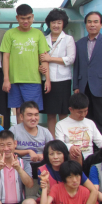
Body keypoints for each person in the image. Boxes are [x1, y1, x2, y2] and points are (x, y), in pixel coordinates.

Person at [0, 4, 50, 124]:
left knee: (32, 111)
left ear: (32, 16)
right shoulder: (10, 34)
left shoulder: (38, 34)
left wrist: (47, 79)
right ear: (17, 18)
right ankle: (20, 134)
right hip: (15, 79)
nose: (26, 21)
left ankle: (31, 134)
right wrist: (6, 79)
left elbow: (43, 57)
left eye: (28, 18)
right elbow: (5, 57)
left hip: (33, 79)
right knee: (19, 111)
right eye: (22, 18)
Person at [73, 11, 102, 139]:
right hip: (83, 86)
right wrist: (76, 86)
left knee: (101, 116)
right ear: (86, 24)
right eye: (89, 22)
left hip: (101, 86)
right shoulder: (79, 43)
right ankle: (88, 144)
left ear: (101, 25)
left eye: (96, 22)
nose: (92, 25)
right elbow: (77, 66)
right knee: (85, 116)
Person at [38, 8, 76, 137]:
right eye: (53, 22)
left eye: (59, 22)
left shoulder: (68, 39)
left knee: (63, 112)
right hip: (47, 80)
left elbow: (70, 59)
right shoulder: (43, 39)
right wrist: (40, 67)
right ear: (49, 24)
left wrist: (50, 59)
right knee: (51, 113)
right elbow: (40, 58)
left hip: (63, 80)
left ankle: (63, 140)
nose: (56, 25)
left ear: (63, 24)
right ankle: (52, 140)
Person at [55, 93, 102, 160]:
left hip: (89, 158)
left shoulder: (90, 123)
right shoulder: (60, 124)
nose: (83, 115)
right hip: (71, 159)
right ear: (71, 109)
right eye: (79, 112)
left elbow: (100, 141)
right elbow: (60, 145)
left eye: (85, 111)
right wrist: (70, 147)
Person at [10, 101, 53, 178]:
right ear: (21, 117)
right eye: (29, 115)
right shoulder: (14, 130)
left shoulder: (45, 131)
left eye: (36, 115)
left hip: (41, 164)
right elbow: (8, 151)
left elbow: (53, 150)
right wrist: (28, 151)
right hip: (20, 164)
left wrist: (44, 155)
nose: (33, 118)